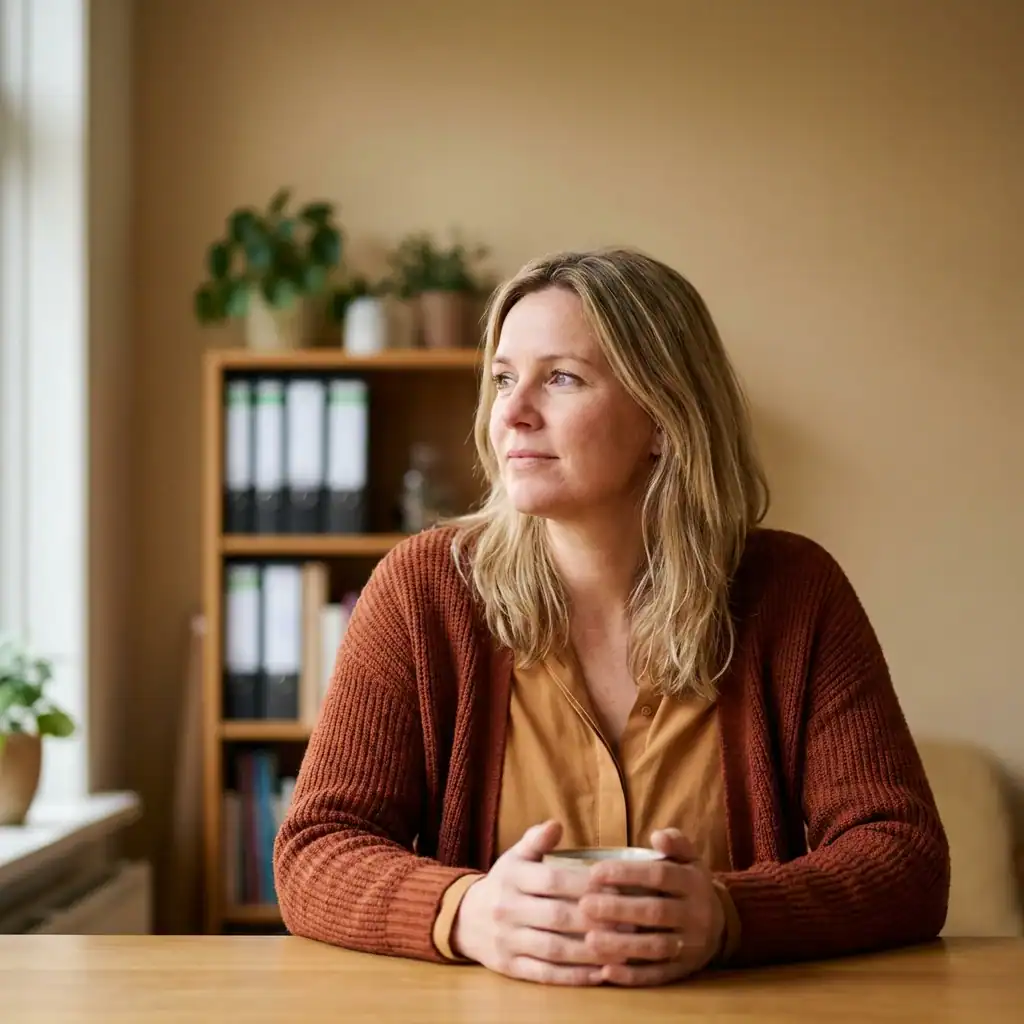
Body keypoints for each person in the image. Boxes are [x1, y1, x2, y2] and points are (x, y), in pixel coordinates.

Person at [273, 247, 950, 987]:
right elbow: (316, 848)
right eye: (503, 379)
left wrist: (730, 916)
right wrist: (466, 911)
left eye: (561, 378)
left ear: (663, 417)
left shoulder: (794, 591)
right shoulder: (424, 590)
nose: (513, 411)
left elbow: (904, 855)